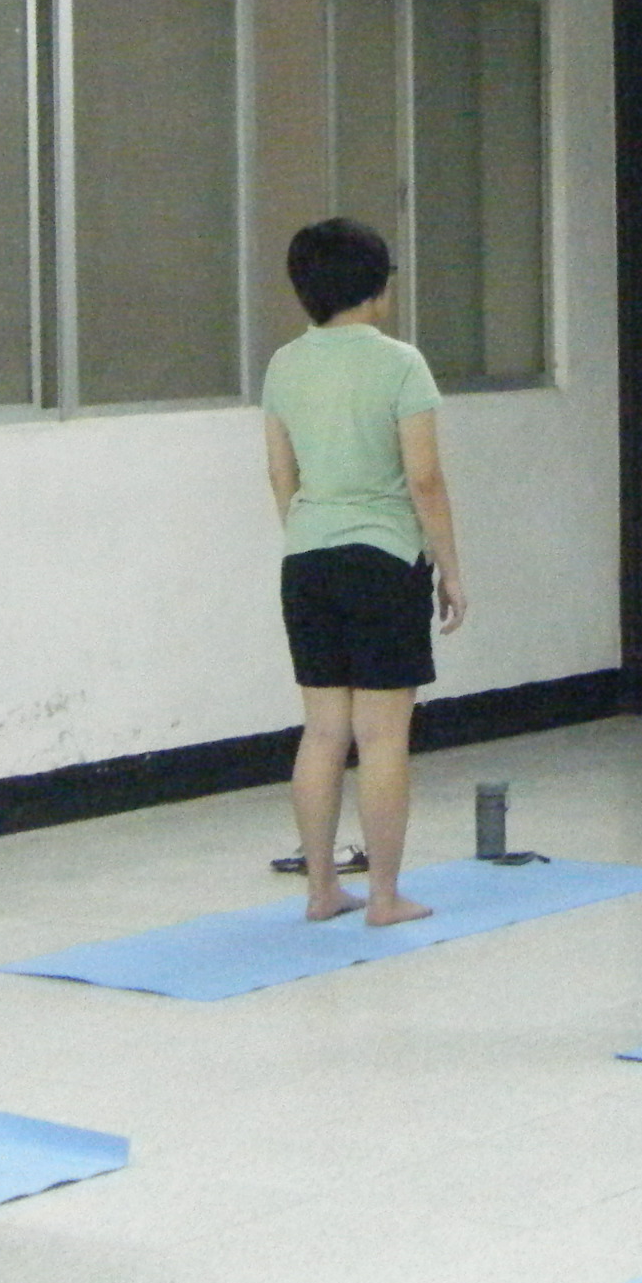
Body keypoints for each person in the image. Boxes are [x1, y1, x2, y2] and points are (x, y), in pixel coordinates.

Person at [260, 216, 467, 926]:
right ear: (377, 287)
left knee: (322, 732)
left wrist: (309, 531)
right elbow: (425, 480)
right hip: (383, 560)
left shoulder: (284, 365)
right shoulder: (401, 364)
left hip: (306, 560)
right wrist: (449, 566)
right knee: (382, 736)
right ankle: (383, 896)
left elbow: (280, 472)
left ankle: (321, 891)